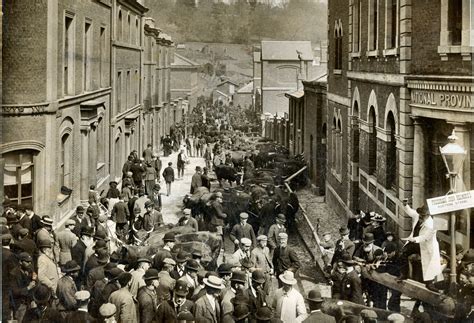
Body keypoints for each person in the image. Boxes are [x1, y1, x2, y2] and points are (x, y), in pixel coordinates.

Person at [400, 203, 442, 285]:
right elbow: (411, 212)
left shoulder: (431, 225)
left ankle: (429, 283)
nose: (421, 217)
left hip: (426, 245)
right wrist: (405, 205)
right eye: (420, 215)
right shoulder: (418, 216)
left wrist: (414, 239)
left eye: (423, 216)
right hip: (415, 243)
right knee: (403, 253)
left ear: (428, 215)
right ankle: (404, 274)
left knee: (428, 264)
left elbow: (425, 237)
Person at [10, 252, 36, 322]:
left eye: (30, 262)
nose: (29, 263)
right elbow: (14, 292)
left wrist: (34, 279)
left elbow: (34, 285)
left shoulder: (29, 270)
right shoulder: (14, 274)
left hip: (29, 303)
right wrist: (28, 288)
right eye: (27, 262)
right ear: (20, 262)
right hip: (20, 306)